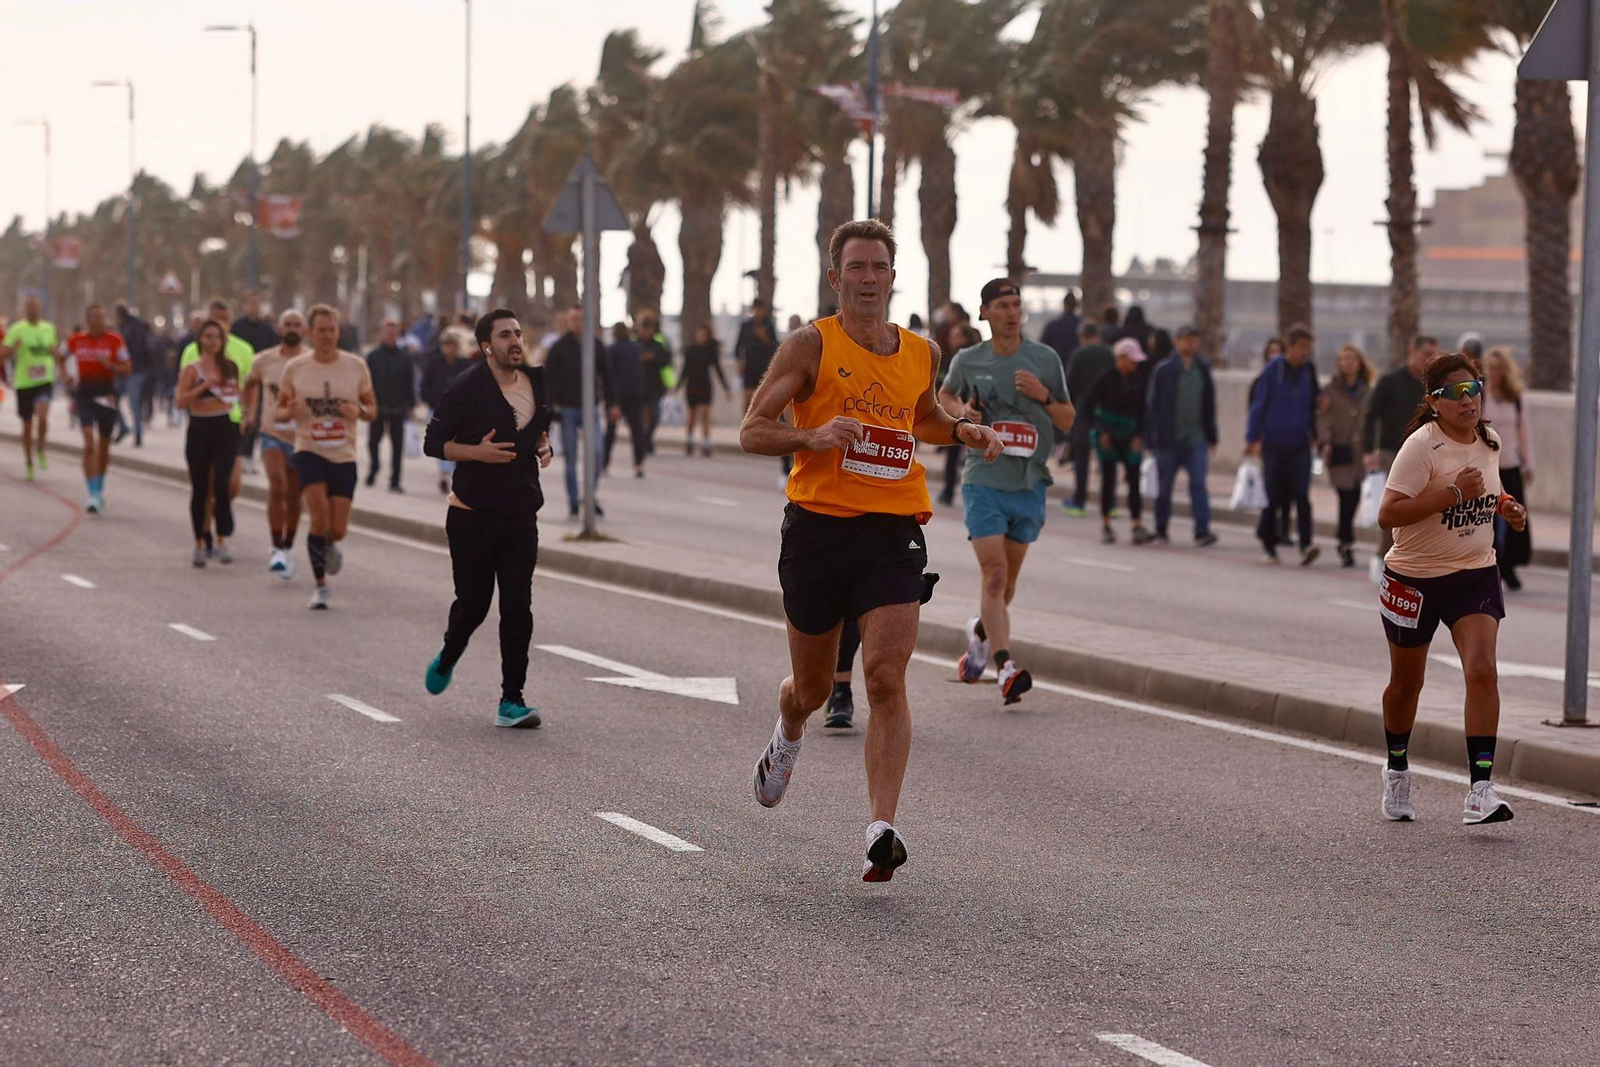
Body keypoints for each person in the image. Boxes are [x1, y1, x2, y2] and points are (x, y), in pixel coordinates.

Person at [739, 218, 1001, 882]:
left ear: (892, 275)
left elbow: (923, 418)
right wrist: (815, 434)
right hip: (817, 530)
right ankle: (787, 730)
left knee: (885, 676)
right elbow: (752, 429)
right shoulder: (809, 345)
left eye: (878, 267)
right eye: (855, 267)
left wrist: (965, 431)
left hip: (892, 533)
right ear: (835, 278)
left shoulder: (921, 351)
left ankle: (880, 829)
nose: (867, 278)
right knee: (809, 685)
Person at [1375, 351, 1526, 826]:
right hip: (1415, 577)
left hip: (1474, 570)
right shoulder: (1421, 448)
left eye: (1475, 388)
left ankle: (1480, 789)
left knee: (1482, 671)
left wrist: (1506, 507)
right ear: (1435, 402)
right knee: (1406, 684)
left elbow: (1490, 490)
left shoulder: (1490, 439)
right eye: (1457, 393)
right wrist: (1453, 493)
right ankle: (1396, 768)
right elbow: (1388, 514)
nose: (1469, 400)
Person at [940, 279, 1075, 705]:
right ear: (985, 313)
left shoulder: (1044, 358)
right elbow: (943, 395)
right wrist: (962, 411)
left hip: (1029, 484)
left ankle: (980, 634)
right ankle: (1006, 668)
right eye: (1002, 305)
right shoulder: (969, 359)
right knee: (994, 575)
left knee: (1007, 585)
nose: (1012, 312)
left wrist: (1044, 394)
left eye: (1016, 304)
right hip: (984, 479)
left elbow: (1068, 419)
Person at [423, 309, 555, 728]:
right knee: (474, 605)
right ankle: (450, 650)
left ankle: (511, 700)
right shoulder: (466, 387)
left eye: (518, 332)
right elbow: (433, 443)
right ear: (486, 346)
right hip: (472, 515)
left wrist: (543, 445)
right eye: (504, 336)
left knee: (518, 605)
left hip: (520, 514)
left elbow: (533, 429)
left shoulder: (538, 382)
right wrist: (475, 453)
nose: (515, 340)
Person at [275, 305, 377, 610]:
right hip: (308, 450)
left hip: (344, 455)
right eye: (321, 330)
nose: (328, 335)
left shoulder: (356, 366)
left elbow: (372, 410)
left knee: (339, 528)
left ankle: (330, 543)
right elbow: (279, 411)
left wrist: (356, 411)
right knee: (317, 517)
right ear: (310, 333)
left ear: (338, 331)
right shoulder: (296, 368)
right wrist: (292, 411)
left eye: (332, 330)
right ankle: (320, 586)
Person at [180, 298, 256, 545]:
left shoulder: (242, 351)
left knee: (228, 485)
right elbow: (183, 392)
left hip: (231, 424)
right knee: (204, 486)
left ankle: (218, 517)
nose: (218, 330)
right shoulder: (192, 353)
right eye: (215, 321)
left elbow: (250, 386)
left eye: (224, 320)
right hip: (202, 423)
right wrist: (203, 390)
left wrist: (250, 413)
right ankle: (204, 534)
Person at [1245, 324, 1322, 565]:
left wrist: (1317, 431)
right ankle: (1269, 545)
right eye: (1301, 347)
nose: (1304, 353)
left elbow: (1315, 404)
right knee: (1273, 496)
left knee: (1302, 495)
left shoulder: (1309, 371)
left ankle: (1306, 544)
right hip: (1273, 443)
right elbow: (1259, 405)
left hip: (1300, 443)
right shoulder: (1272, 371)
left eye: (1308, 348)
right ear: (1289, 347)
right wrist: (1251, 437)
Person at [242, 309, 307, 579]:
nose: (291, 328)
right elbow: (250, 385)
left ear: (304, 330)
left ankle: (288, 545)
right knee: (277, 486)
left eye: (296, 324)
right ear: (278, 329)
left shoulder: (311, 360)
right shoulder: (263, 360)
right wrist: (249, 412)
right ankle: (275, 548)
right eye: (287, 324)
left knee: (294, 495)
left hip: (302, 437)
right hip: (271, 433)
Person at [174, 320, 241, 567]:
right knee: (201, 488)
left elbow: (237, 396)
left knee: (222, 485)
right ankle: (200, 542)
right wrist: (203, 387)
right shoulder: (193, 370)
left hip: (225, 428)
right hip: (200, 429)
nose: (213, 341)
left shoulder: (230, 367)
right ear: (200, 340)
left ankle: (222, 539)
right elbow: (180, 401)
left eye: (217, 336)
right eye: (208, 336)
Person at [1364, 335, 1434, 572]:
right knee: (1391, 512)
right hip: (1390, 454)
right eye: (1425, 353)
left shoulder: (1430, 388)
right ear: (1412, 352)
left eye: (1433, 355)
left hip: (1422, 457)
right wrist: (1368, 451)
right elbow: (1370, 416)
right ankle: (1383, 558)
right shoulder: (1390, 382)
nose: (1428, 359)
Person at [1145, 324, 1218, 547]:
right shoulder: (1164, 370)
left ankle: (1202, 530)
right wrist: (1151, 438)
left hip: (1196, 438)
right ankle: (1161, 528)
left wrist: (1212, 436)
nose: (1191, 344)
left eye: (1194, 340)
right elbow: (1153, 406)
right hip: (1169, 439)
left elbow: (1209, 404)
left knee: (1198, 484)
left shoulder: (1202, 369)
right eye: (1187, 339)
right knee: (1165, 487)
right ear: (1177, 342)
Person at [545, 305, 614, 518]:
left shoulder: (595, 345)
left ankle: (590, 495)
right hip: (567, 409)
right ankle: (573, 500)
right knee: (571, 456)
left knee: (596, 452)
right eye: (573, 319)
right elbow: (548, 379)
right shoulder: (559, 347)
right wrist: (549, 407)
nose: (577, 323)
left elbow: (608, 376)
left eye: (581, 319)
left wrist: (613, 404)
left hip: (590, 408)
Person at [64, 304, 133, 513]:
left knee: (104, 447)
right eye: (95, 317)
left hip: (107, 397)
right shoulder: (76, 340)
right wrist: (65, 375)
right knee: (88, 443)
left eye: (103, 317)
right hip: (84, 395)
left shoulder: (115, 340)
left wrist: (111, 365)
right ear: (88, 319)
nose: (100, 321)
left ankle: (100, 486)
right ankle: (92, 493)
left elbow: (128, 368)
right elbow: (60, 356)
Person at [1087, 338, 1153, 545]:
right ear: (1121, 358)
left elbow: (1144, 411)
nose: (1135, 364)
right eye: (1131, 360)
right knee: (1108, 479)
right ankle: (1106, 523)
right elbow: (1091, 408)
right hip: (1108, 434)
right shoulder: (1105, 379)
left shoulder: (1138, 381)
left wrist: (1139, 435)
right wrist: (1103, 432)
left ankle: (1136, 523)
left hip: (1130, 434)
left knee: (1134, 479)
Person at [1319, 344, 1375, 568]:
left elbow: (1373, 421)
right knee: (1345, 498)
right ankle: (1345, 542)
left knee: (1355, 497)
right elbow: (1322, 418)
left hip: (1361, 454)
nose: (1349, 363)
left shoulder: (1368, 392)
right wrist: (1325, 441)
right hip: (1340, 452)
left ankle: (1345, 539)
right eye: (1345, 359)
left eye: (1353, 359)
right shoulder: (1330, 390)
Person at [1483, 347, 1535, 591]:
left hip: (1511, 464)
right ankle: (1491, 567)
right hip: (1487, 466)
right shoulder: (1480, 396)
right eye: (1489, 367)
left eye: (1497, 368)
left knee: (1515, 515)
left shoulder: (1516, 398)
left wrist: (1529, 464)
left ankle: (1510, 566)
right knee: (1489, 520)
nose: (1493, 373)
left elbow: (1524, 434)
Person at [1, 294, 61, 480]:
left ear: (39, 309)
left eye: (34, 306)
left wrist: (56, 355)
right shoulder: (16, 329)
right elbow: (3, 354)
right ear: (24, 310)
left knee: (42, 416)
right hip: (24, 382)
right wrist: (13, 349)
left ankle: (41, 446)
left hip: (44, 379)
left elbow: (58, 354)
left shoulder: (49, 328)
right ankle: (29, 462)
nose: (31, 310)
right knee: (27, 425)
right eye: (28, 307)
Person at [1061, 321, 1114, 517]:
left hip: (1082, 412)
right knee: (1107, 459)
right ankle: (1110, 504)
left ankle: (1079, 501)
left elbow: (1069, 386)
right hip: (1105, 413)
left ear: (1082, 336)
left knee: (1082, 459)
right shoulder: (1109, 354)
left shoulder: (1079, 355)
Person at [421, 326, 475, 495]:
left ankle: (455, 474)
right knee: (442, 441)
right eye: (446, 344)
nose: (449, 348)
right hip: (437, 409)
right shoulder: (435, 363)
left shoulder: (465, 365)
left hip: (459, 412)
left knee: (458, 442)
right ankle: (445, 474)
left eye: (452, 344)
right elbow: (425, 385)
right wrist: (430, 400)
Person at [364, 319, 416, 493]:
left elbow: (410, 382)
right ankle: (374, 468)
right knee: (373, 442)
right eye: (387, 333)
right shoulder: (373, 357)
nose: (390, 336)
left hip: (397, 408)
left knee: (397, 446)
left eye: (393, 333)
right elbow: (366, 382)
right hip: (377, 407)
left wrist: (411, 406)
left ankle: (395, 480)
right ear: (382, 335)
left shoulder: (405, 358)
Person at [936, 322, 983, 507]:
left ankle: (948, 492)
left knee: (953, 455)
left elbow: (944, 384)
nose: (950, 337)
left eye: (955, 334)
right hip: (973, 410)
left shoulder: (958, 359)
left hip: (959, 411)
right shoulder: (978, 357)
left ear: (964, 337)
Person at [603, 321, 649, 478]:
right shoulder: (636, 349)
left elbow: (608, 375)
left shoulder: (612, 350)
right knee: (637, 430)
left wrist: (610, 400)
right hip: (635, 394)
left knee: (611, 430)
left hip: (617, 396)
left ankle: (605, 462)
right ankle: (639, 464)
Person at [678, 323, 731, 457]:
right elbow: (685, 370)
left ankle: (706, 443)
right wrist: (678, 385)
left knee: (706, 416)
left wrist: (726, 388)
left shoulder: (710, 351)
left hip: (705, 385)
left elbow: (718, 369)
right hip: (692, 385)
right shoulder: (691, 349)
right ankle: (689, 441)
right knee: (692, 415)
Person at [114, 305, 153, 446]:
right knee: (118, 400)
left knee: (133, 403)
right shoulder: (135, 327)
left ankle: (137, 433)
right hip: (133, 371)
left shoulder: (129, 330)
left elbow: (131, 352)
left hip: (132, 372)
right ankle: (129, 430)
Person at [734, 298, 779, 412]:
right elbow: (738, 347)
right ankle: (746, 424)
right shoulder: (746, 326)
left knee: (762, 398)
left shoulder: (768, 326)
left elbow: (775, 346)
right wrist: (740, 362)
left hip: (763, 365)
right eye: (756, 309)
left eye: (760, 309)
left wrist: (764, 337)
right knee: (747, 397)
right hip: (749, 365)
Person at [637, 311, 672, 456]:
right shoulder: (635, 344)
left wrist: (654, 358)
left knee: (655, 414)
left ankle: (647, 438)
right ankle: (643, 441)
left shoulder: (659, 344)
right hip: (639, 385)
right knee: (642, 414)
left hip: (655, 385)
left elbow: (666, 363)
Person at [1040, 291, 1080, 362]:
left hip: (1057, 365)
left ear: (1064, 305)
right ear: (1075, 305)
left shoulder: (1052, 326)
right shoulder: (1082, 325)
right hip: (1078, 366)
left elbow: (1043, 348)